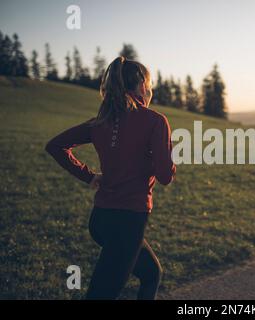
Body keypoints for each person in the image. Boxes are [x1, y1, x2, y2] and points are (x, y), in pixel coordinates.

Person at [45, 56, 176, 300]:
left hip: (101, 221)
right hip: (127, 223)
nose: (151, 90)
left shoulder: (101, 121)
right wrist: (165, 153)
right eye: (149, 84)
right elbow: (165, 176)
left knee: (151, 274)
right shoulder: (155, 121)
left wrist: (89, 177)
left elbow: (56, 146)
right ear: (141, 87)